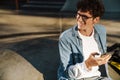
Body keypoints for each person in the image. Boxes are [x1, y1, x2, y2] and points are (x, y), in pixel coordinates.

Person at [58, 0, 112, 80]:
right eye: (78, 15)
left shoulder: (101, 31)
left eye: (85, 17)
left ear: (96, 20)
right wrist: (87, 64)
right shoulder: (66, 38)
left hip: (97, 77)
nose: (79, 19)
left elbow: (102, 58)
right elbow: (67, 73)